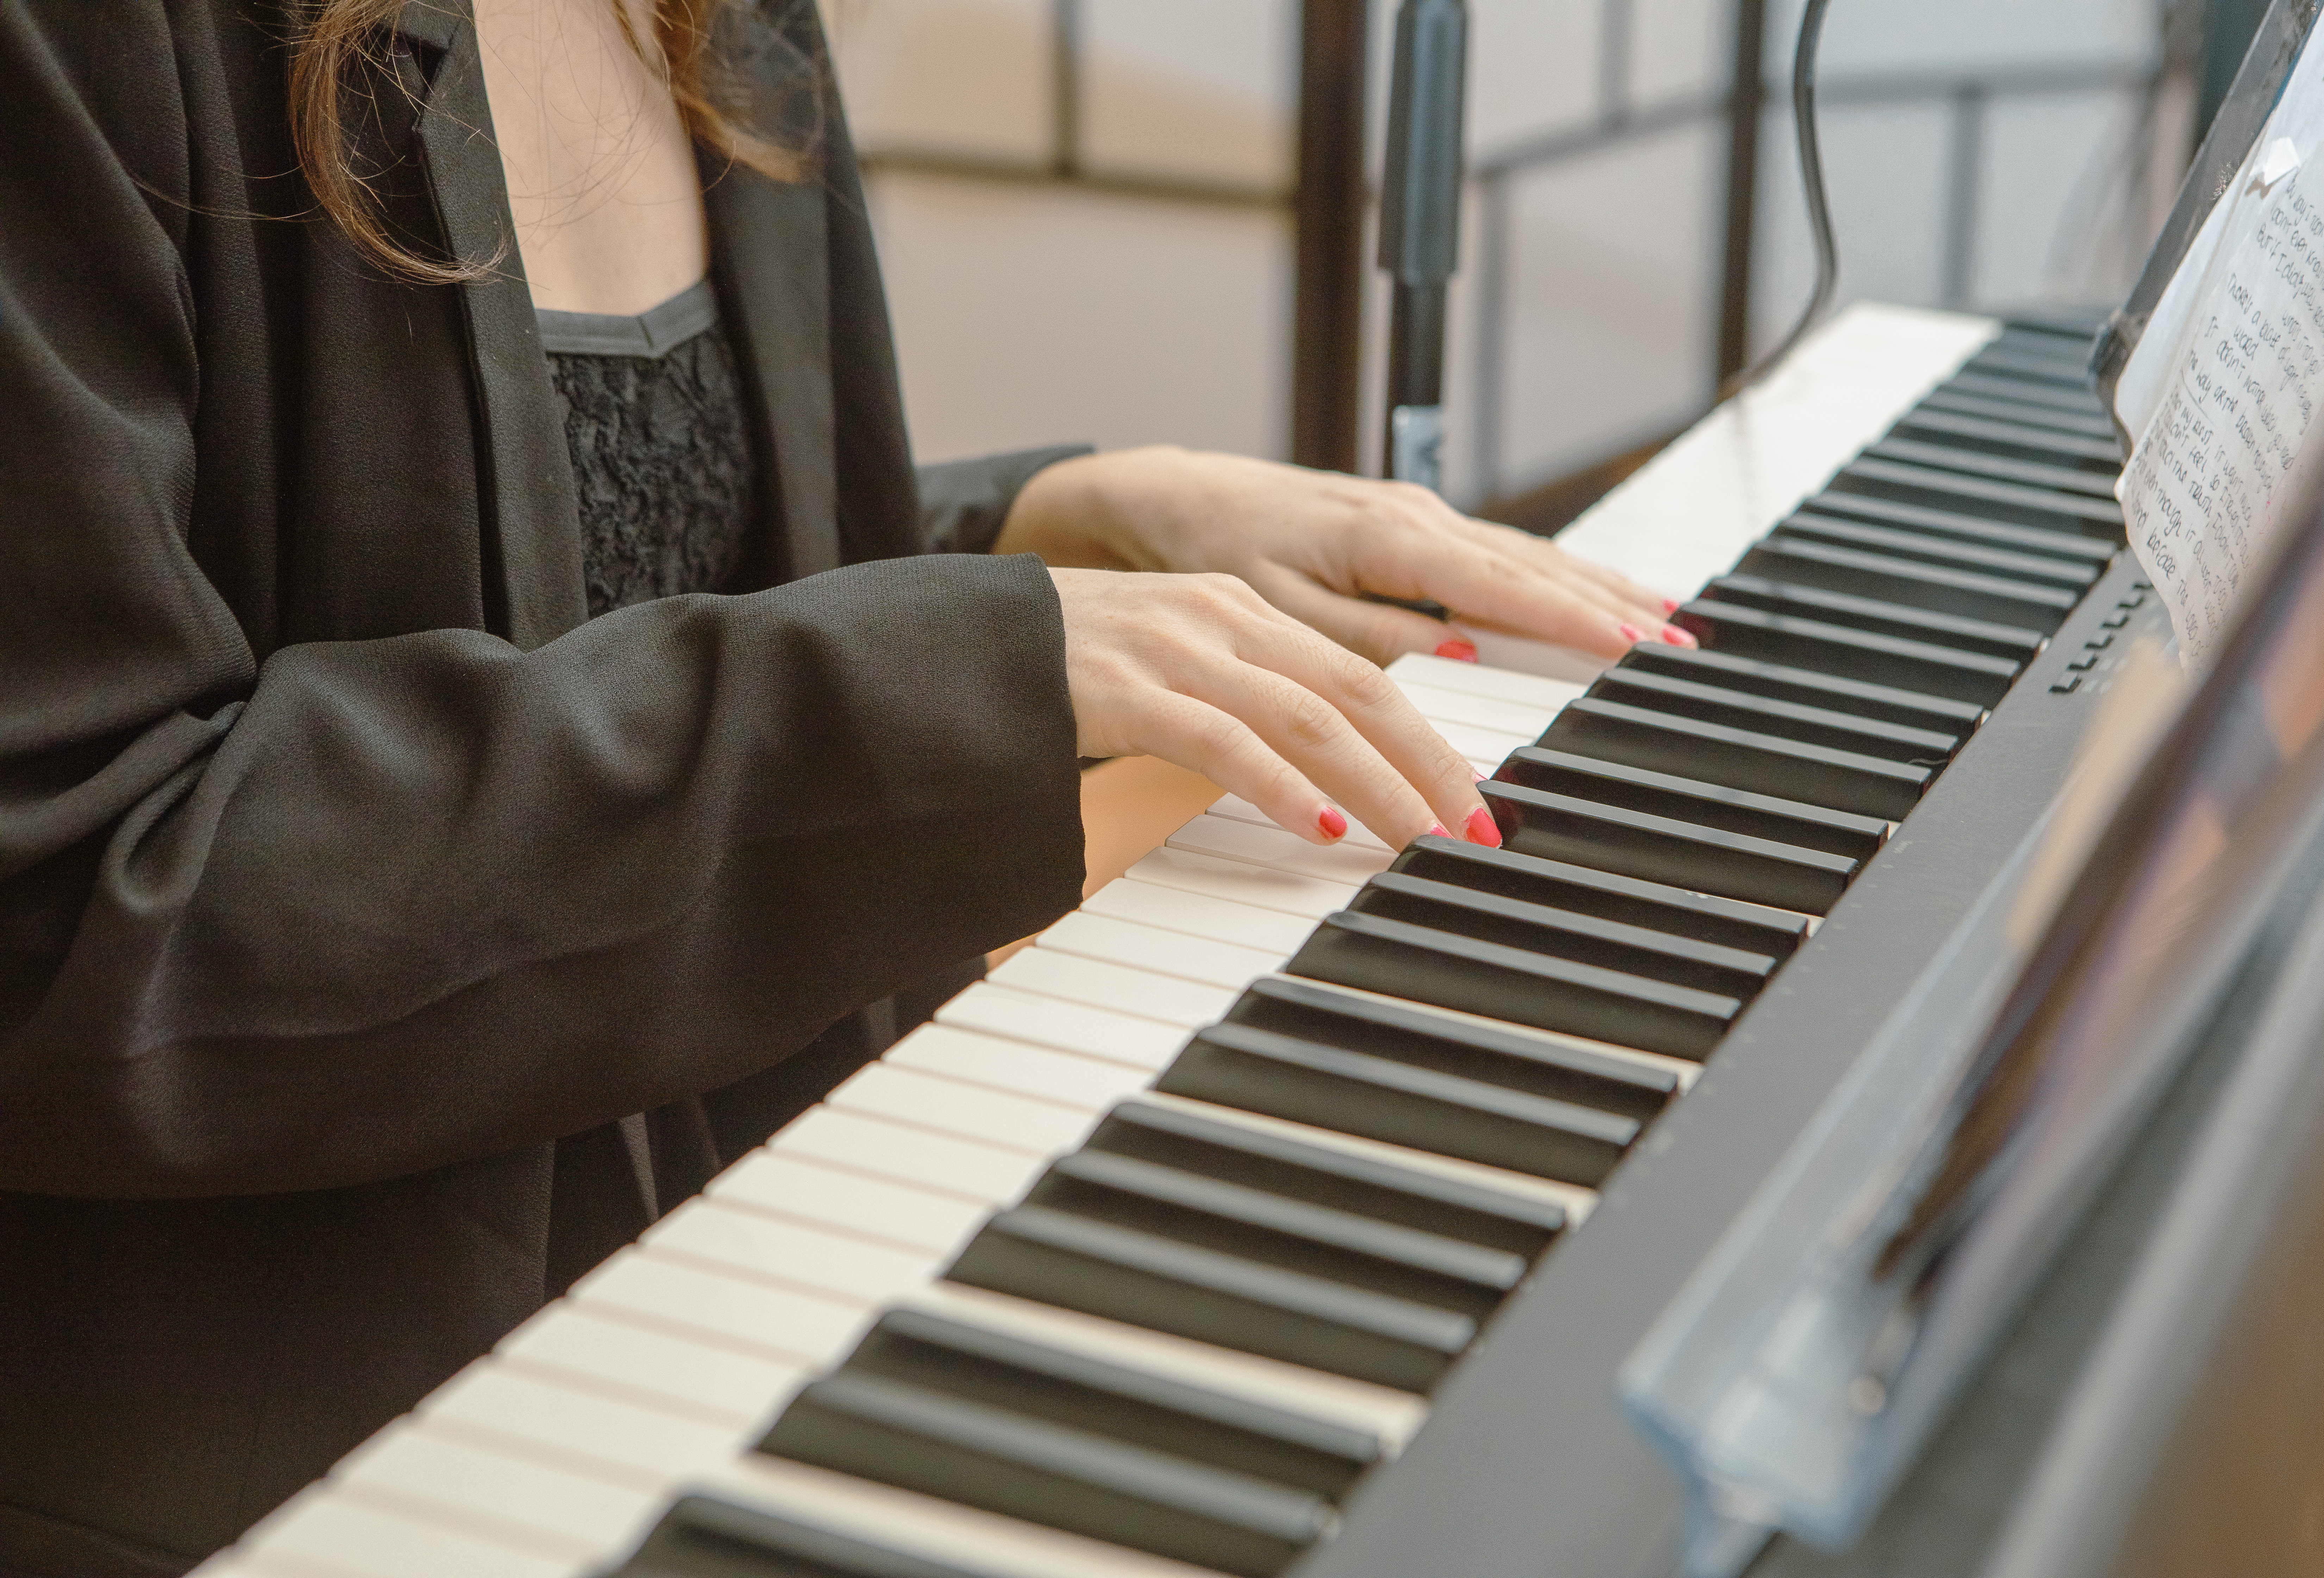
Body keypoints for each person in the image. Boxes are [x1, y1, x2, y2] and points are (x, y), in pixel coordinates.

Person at [0, 0, 1685, 1571]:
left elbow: (598, 589)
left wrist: (1065, 516)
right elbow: (73, 903)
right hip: (318, 1462)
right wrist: (960, 677)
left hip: (768, 1271)